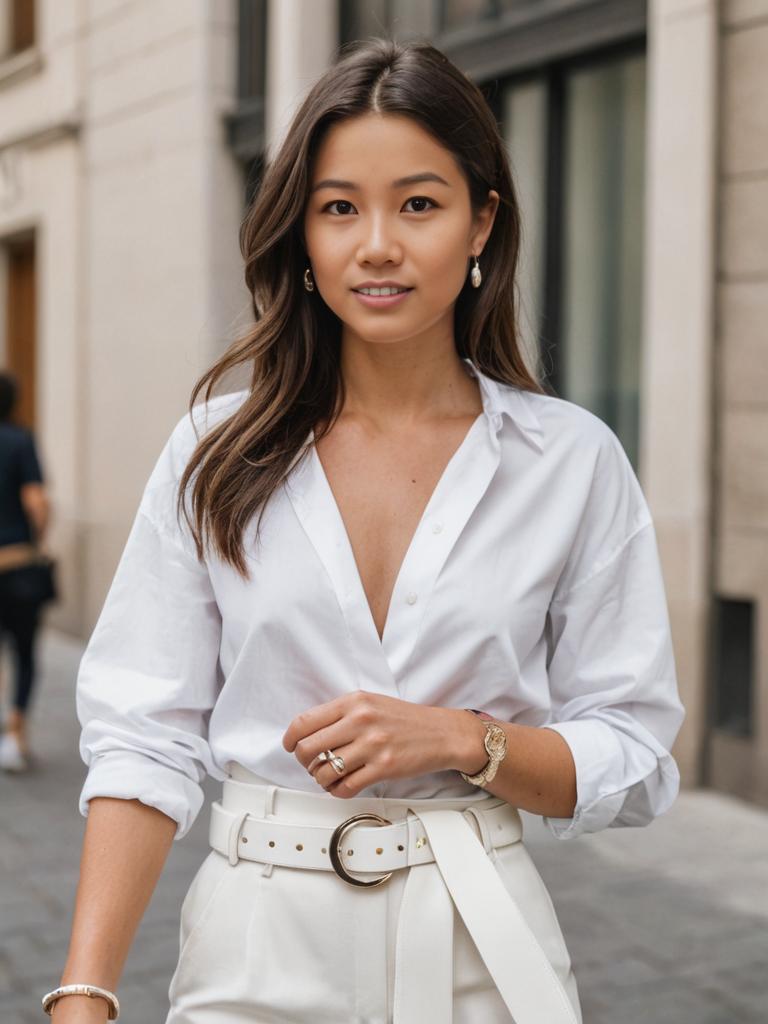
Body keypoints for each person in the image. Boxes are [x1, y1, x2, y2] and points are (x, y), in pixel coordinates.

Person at [43, 38, 686, 1023]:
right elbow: (144, 734)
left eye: (419, 204)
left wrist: (468, 739)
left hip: (483, 940)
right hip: (254, 948)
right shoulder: (215, 453)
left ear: (482, 223)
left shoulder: (571, 461)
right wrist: (84, 994)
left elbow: (635, 756)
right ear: (301, 232)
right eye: (339, 207)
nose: (376, 243)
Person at [0, 371, 51, 773]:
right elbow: (36, 501)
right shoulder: (20, 440)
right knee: (24, 652)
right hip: (16, 565)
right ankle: (15, 734)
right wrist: (37, 539)